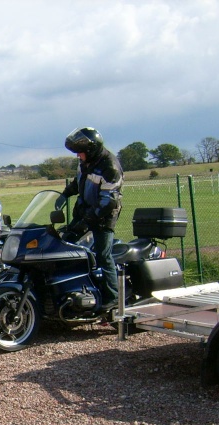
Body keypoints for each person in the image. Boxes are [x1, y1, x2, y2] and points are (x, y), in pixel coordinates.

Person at [62, 126, 124, 311]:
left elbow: (108, 202)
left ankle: (112, 297)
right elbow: (79, 182)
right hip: (84, 212)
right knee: (66, 244)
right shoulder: (86, 162)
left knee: (103, 255)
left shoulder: (110, 167)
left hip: (103, 217)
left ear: (90, 149)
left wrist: (88, 221)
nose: (77, 156)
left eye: (79, 152)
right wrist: (65, 193)